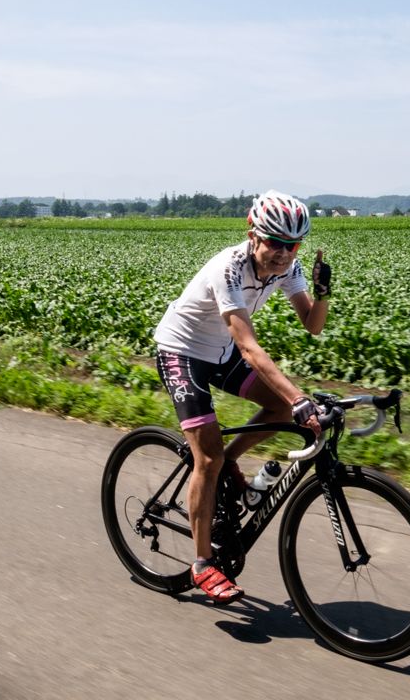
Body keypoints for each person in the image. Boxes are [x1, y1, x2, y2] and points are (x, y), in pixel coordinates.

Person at [153, 190, 332, 604]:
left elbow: (313, 325)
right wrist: (300, 396)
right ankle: (201, 565)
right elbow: (249, 346)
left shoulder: (288, 267)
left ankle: (228, 464)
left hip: (218, 353)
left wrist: (321, 294)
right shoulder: (228, 268)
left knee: (278, 408)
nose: (284, 254)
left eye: (294, 245)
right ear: (253, 234)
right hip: (182, 352)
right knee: (208, 458)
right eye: (276, 242)